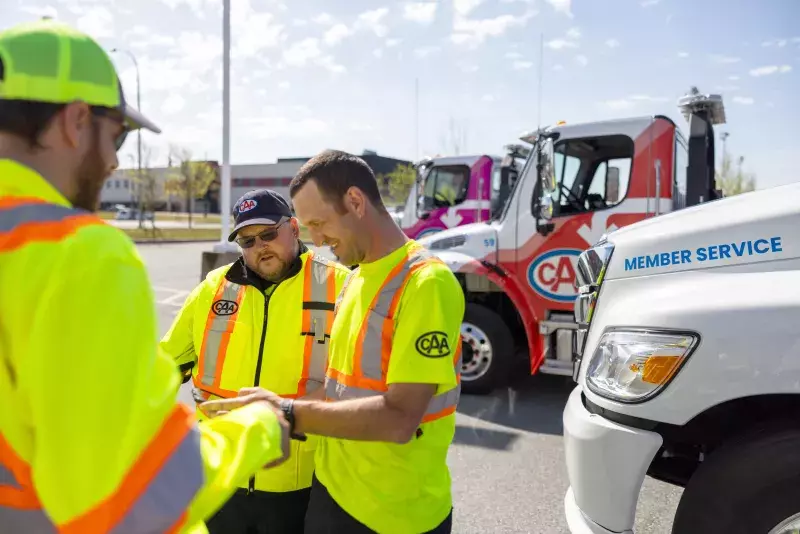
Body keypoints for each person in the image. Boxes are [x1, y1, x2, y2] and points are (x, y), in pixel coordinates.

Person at [0, 19, 290, 533]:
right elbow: (135, 498)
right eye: (116, 135)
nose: (113, 160)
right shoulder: (73, 254)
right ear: (76, 120)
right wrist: (260, 426)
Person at [200, 149, 466, 534]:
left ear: (355, 201)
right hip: (331, 497)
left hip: (395, 514)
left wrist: (290, 413)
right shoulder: (355, 279)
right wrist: (273, 417)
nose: (318, 240)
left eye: (319, 223)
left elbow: (401, 418)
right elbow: (339, 392)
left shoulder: (426, 283)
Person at [159, 188, 350, 533]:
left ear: (293, 227)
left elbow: (357, 386)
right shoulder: (213, 289)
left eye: (268, 234)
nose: (260, 246)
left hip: (299, 481)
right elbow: (162, 367)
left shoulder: (340, 286)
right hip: (220, 477)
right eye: (247, 241)